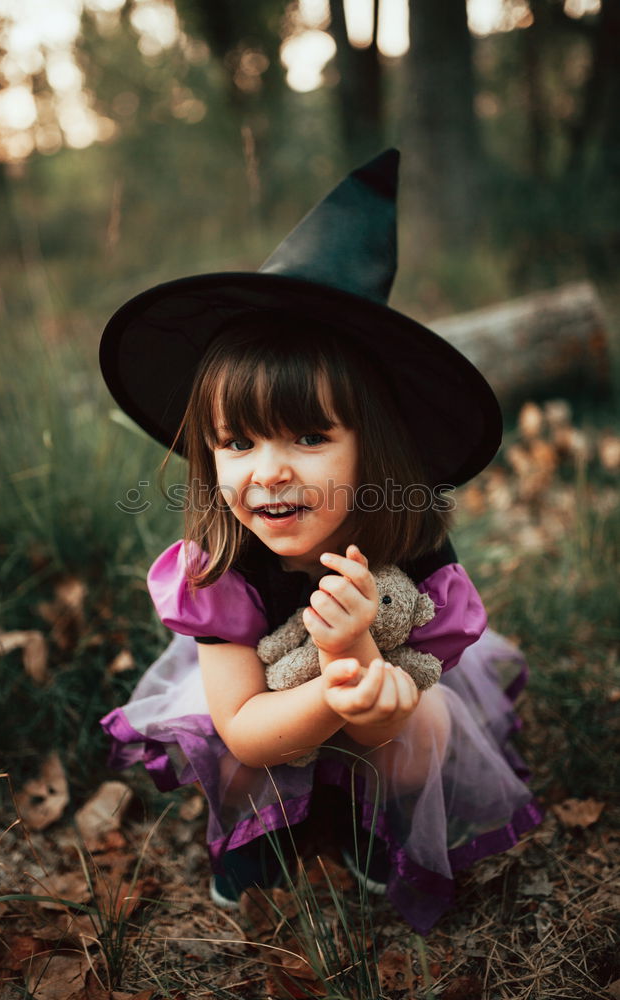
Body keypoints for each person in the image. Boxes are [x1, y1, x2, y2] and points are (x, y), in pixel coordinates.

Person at [99, 150, 541, 934]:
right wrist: (331, 680)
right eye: (237, 442)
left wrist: (362, 669)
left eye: (308, 435)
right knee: (229, 745)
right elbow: (247, 728)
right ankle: (262, 834)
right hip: (263, 718)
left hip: (375, 706)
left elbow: (383, 717)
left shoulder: (413, 563)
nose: (267, 473)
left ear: (373, 448)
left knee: (422, 725)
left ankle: (372, 812)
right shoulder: (221, 567)